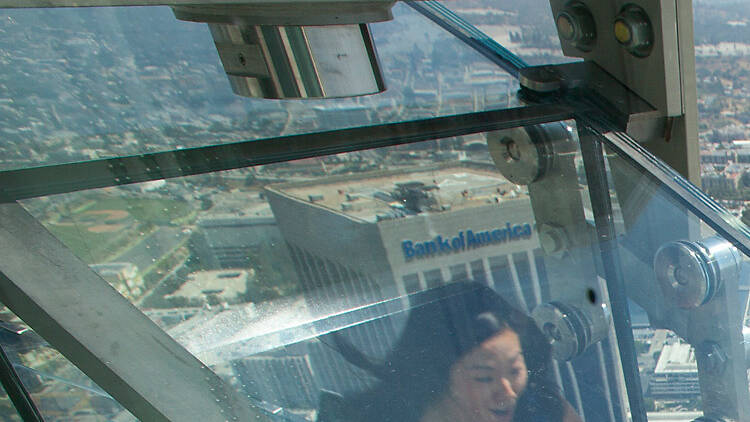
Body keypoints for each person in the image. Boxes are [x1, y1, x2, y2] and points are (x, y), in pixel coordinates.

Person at [317, 281, 582, 422]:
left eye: (514, 370)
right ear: (438, 375)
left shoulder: (540, 411)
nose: (508, 391)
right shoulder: (365, 417)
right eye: (484, 377)